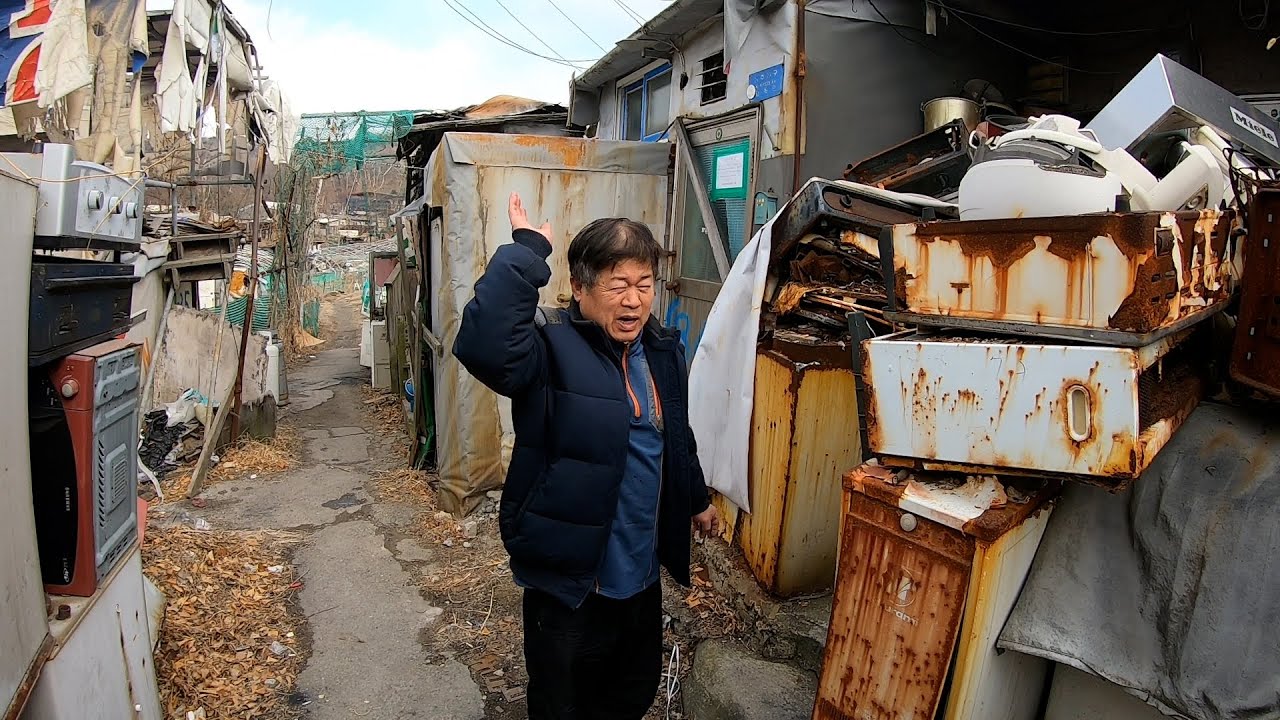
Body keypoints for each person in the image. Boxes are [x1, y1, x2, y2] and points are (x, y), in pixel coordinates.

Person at [453, 193, 721, 719]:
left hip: (639, 572)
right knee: (562, 701)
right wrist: (527, 252)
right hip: (568, 576)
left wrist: (695, 499)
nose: (633, 300)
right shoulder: (548, 348)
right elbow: (483, 345)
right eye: (617, 285)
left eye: (644, 285)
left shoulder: (663, 350)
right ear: (579, 288)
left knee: (631, 692)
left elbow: (673, 437)